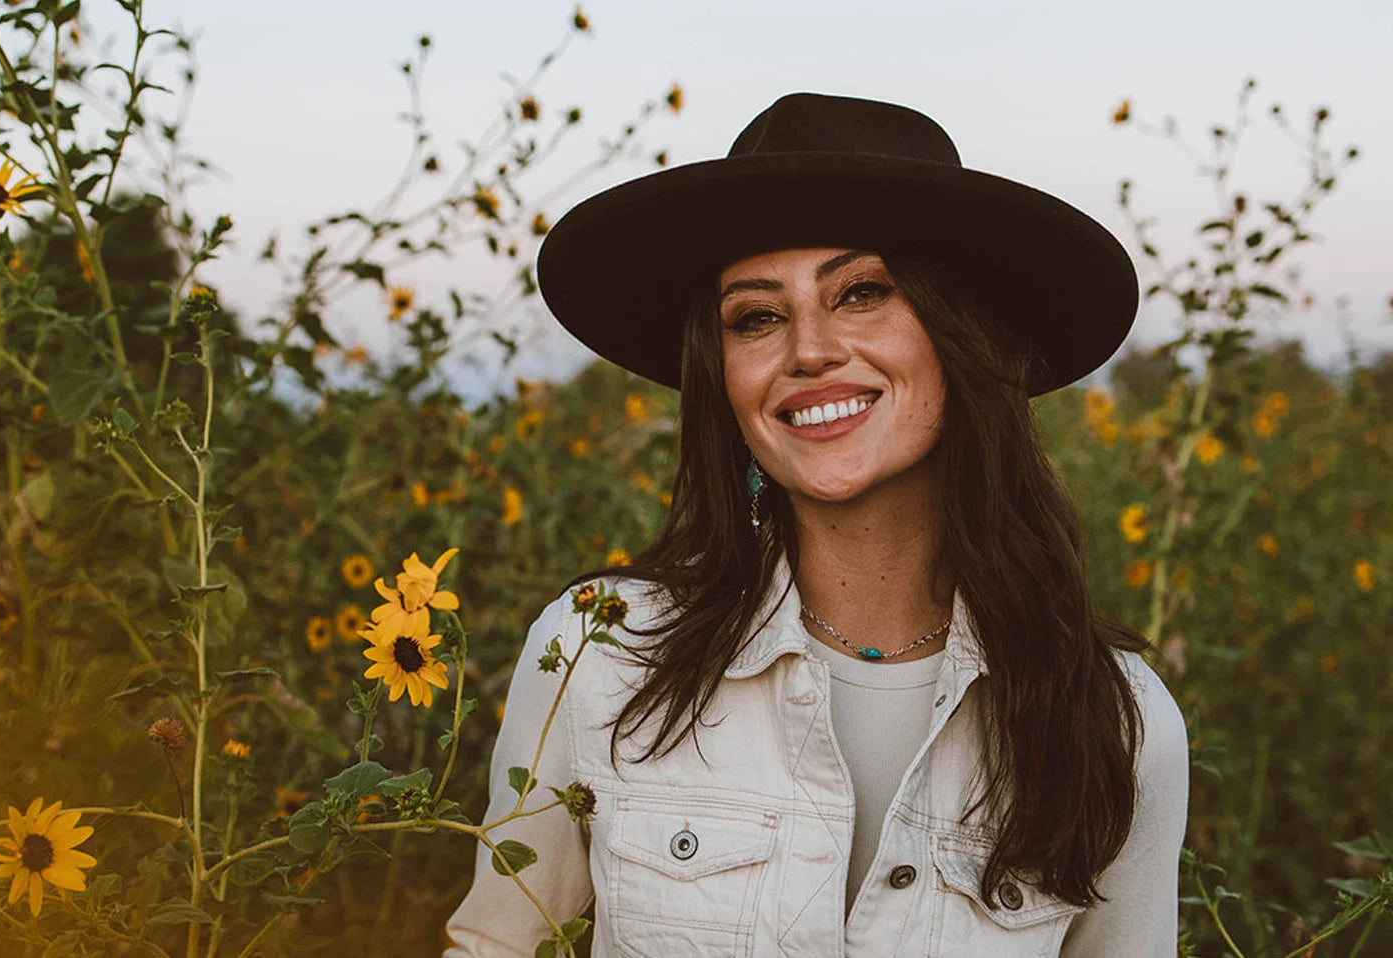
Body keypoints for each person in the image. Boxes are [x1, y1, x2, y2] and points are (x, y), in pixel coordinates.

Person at [443, 92, 1189, 956]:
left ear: (964, 334)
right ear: (720, 376)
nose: (808, 349)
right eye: (756, 316)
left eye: (863, 293)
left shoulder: (1116, 721)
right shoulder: (599, 654)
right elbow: (498, 946)